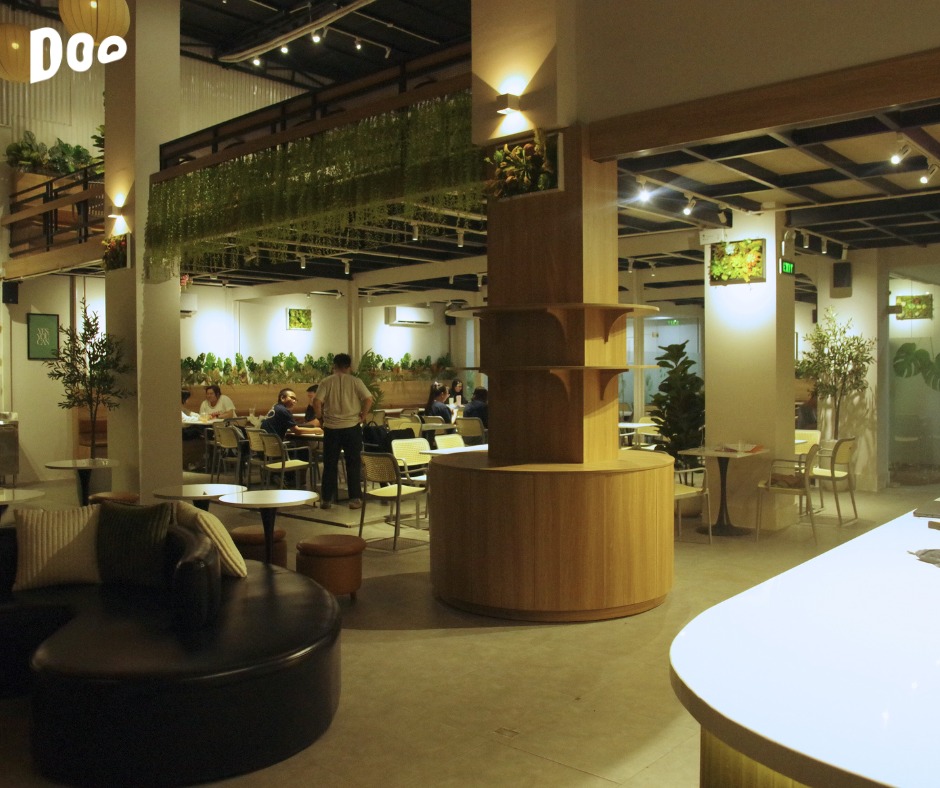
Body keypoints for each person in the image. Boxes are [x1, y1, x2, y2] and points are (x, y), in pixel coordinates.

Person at [314, 353, 373, 510]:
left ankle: (326, 499)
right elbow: (368, 398)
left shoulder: (326, 381)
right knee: (353, 463)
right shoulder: (355, 381)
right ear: (349, 366)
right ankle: (355, 499)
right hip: (352, 427)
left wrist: (320, 418)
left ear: (334, 365)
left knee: (330, 464)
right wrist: (363, 415)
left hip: (331, 428)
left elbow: (317, 401)